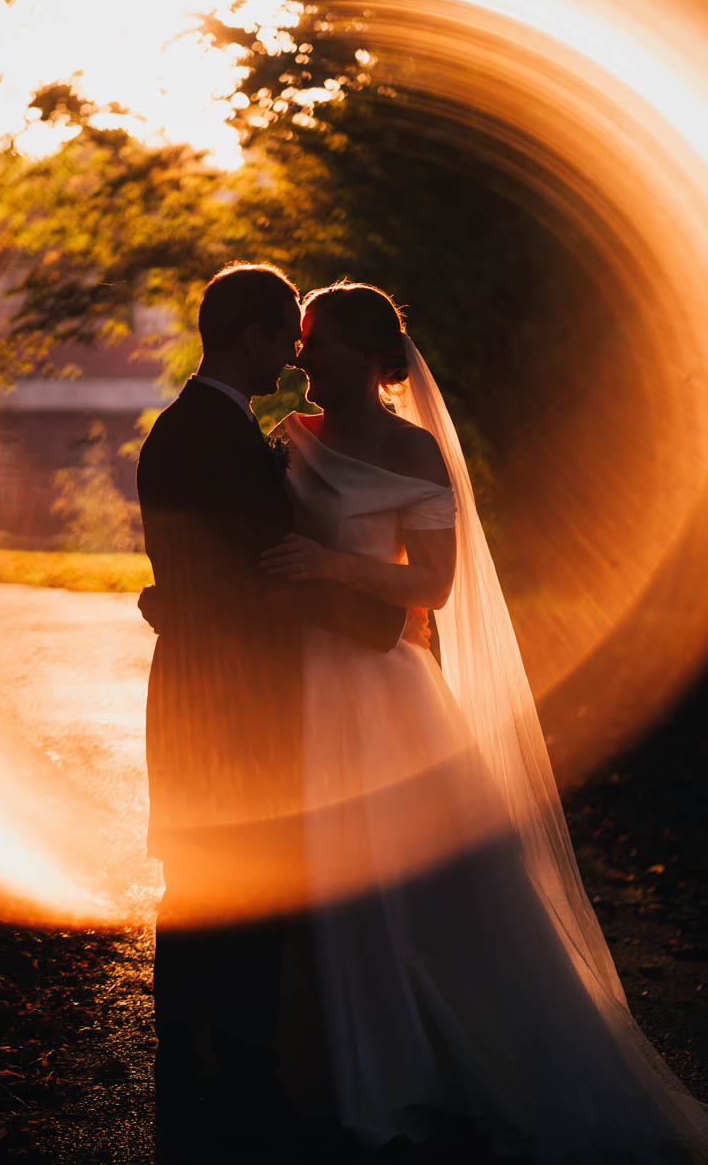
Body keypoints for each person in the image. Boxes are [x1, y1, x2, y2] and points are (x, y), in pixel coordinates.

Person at [254, 282, 708, 1163]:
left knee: (408, 887)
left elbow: (431, 585)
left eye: (319, 342)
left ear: (369, 358)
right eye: (301, 341)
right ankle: (331, 1076)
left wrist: (331, 567)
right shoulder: (285, 437)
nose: (303, 357)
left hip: (379, 689)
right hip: (294, 682)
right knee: (316, 882)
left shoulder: (414, 451)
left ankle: (422, 1073)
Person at [135, 264, 410, 1161]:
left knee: (207, 884)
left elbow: (204, 568)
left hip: (204, 690)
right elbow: (261, 575)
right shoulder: (211, 434)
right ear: (249, 337)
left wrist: (169, 600)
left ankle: (197, 1070)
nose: (295, 359)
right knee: (237, 890)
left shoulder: (201, 426)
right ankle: (235, 1084)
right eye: (287, 339)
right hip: (230, 702)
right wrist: (385, 624)